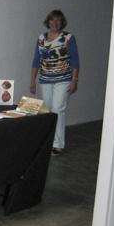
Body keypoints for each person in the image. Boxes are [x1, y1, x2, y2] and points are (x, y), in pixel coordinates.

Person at [30, 9, 80, 156]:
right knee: (48, 111)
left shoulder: (68, 38)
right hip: (45, 79)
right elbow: (36, 60)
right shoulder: (41, 38)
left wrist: (74, 80)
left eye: (58, 20)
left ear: (62, 22)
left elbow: (75, 60)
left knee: (58, 109)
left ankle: (58, 145)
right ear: (48, 21)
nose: (55, 23)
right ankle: (49, 141)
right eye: (52, 20)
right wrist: (32, 80)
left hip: (63, 80)